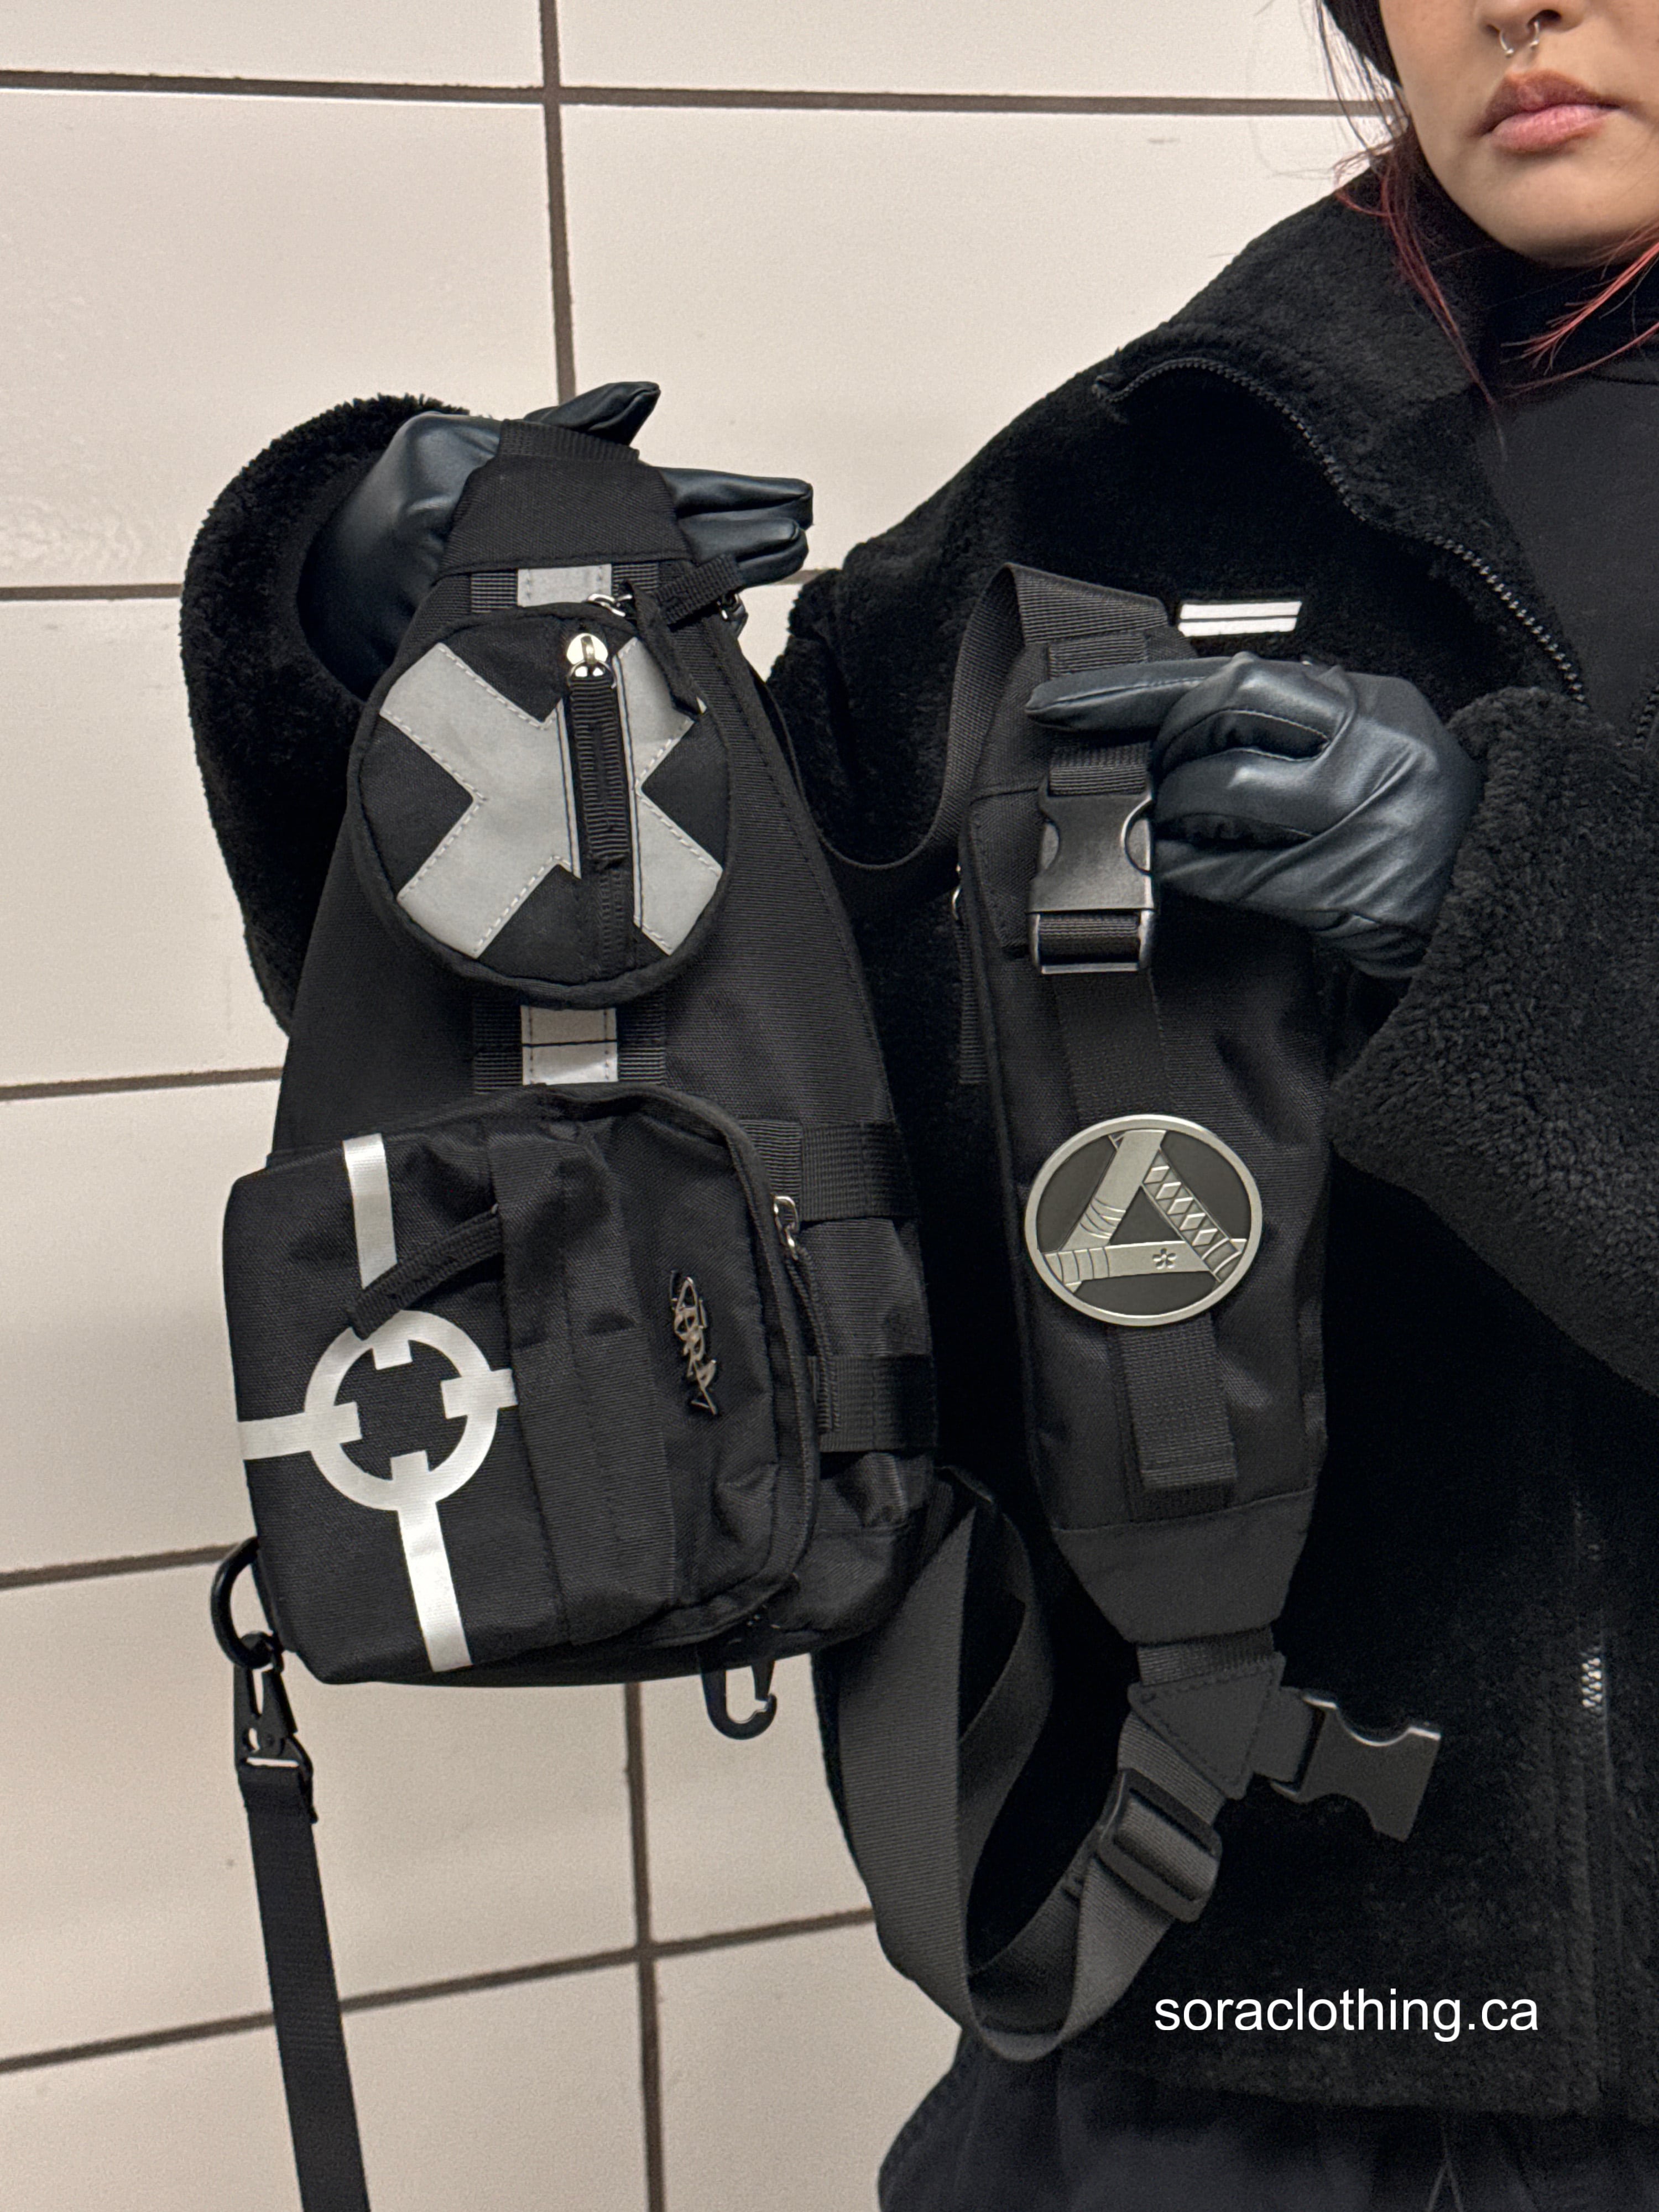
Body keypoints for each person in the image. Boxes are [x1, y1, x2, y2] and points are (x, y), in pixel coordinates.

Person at [179, 2, 1659, 2202]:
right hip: (1204, 2040)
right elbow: (649, 1088)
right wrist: (415, 656)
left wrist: (1514, 916)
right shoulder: (1142, 474)